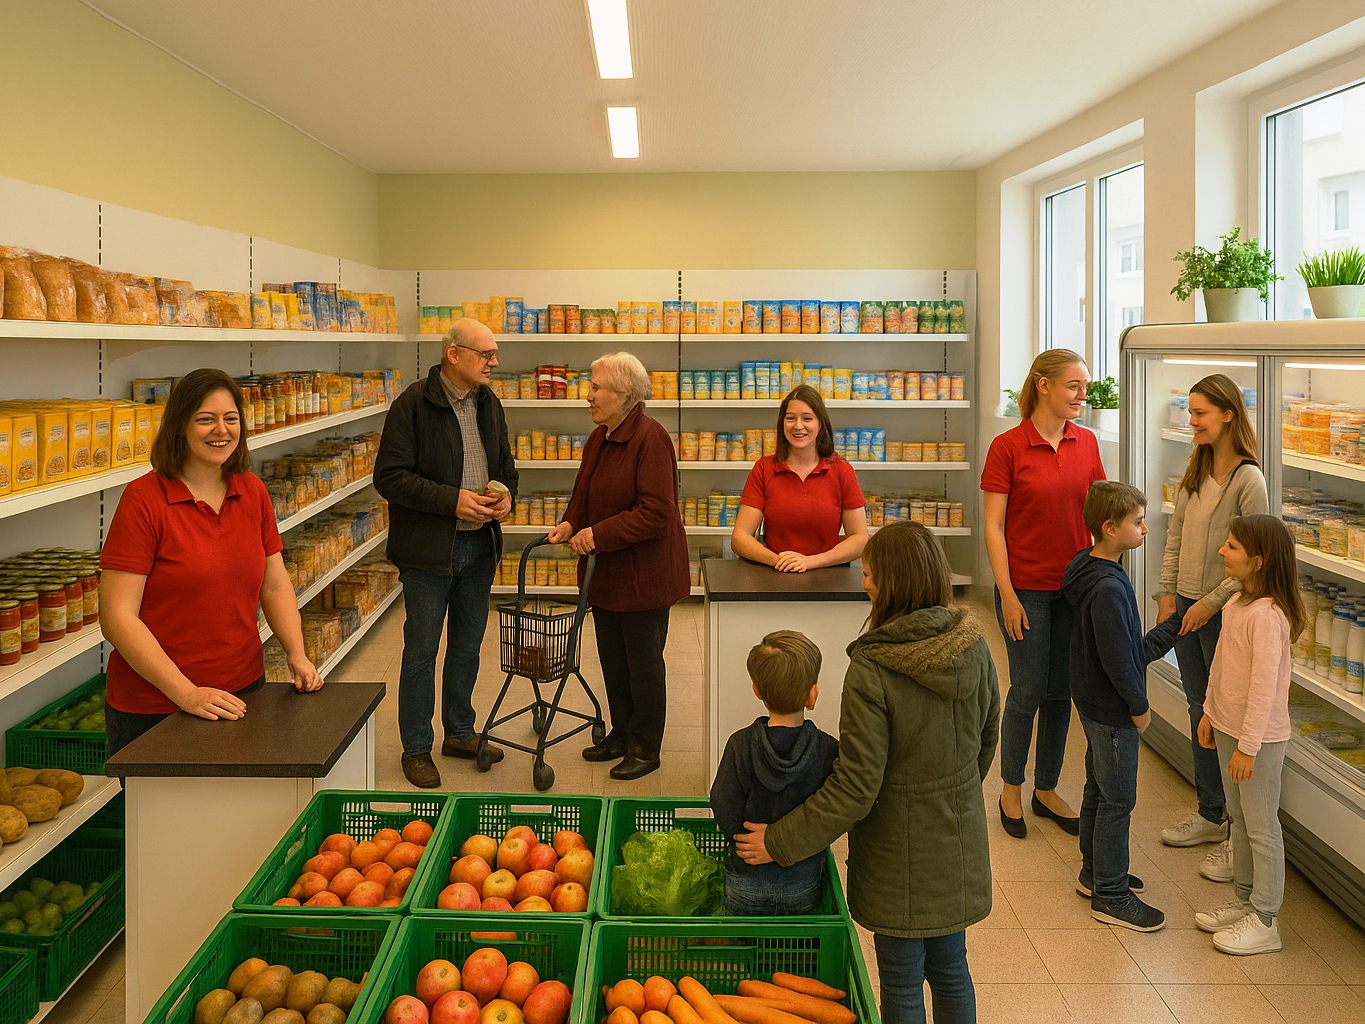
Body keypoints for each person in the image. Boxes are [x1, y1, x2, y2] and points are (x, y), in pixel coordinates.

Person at [734, 522, 999, 1024]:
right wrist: (953, 794)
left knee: (900, 979)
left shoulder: (874, 668)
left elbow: (856, 787)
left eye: (871, 574)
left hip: (895, 856)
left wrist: (779, 841)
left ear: (893, 584)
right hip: (958, 846)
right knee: (951, 970)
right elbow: (986, 742)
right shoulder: (975, 646)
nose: (864, 582)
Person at [99, 369, 323, 758]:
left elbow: (274, 584)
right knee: (164, 818)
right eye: (205, 419)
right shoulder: (143, 501)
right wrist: (185, 692)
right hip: (155, 705)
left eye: (230, 418)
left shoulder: (250, 490)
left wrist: (296, 653)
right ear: (179, 427)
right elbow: (117, 617)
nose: (221, 430)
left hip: (243, 690)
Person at [374, 318, 517, 789]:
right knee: (421, 652)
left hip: (480, 546)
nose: (494, 362)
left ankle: (458, 732)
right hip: (429, 552)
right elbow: (390, 478)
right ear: (453, 354)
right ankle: (415, 747)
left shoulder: (489, 403)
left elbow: (505, 467)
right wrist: (451, 499)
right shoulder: (413, 404)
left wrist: (506, 497)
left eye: (494, 354)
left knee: (468, 647)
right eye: (485, 354)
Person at [545, 352, 689, 781]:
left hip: (644, 575)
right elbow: (583, 494)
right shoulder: (599, 437)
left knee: (643, 663)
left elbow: (656, 512)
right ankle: (622, 733)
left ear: (624, 394)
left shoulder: (651, 439)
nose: (586, 395)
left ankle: (646, 746)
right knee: (612, 659)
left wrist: (598, 535)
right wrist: (572, 521)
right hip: (607, 574)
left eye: (595, 387)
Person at [981, 348, 1104, 839]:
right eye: (1074, 385)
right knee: (1028, 690)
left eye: (1085, 387)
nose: (1082, 395)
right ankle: (1011, 787)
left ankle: (1046, 788)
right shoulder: (1008, 446)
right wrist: (1007, 594)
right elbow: (993, 526)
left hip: (1074, 590)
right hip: (1025, 590)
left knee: (1062, 693)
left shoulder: (1088, 442)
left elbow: (1099, 516)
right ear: (1044, 385)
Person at [1157, 375, 1267, 889]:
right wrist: (1167, 594)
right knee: (1199, 709)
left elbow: (1251, 563)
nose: (1192, 420)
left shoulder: (1249, 479)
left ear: (1228, 414)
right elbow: (1175, 536)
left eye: (1200, 413)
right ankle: (1210, 812)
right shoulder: (1196, 467)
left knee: (1224, 719)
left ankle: (1236, 837)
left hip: (1222, 613)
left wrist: (1207, 604)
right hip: (1185, 604)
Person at [1062, 482, 1180, 931]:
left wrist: (1171, 629)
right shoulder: (1110, 588)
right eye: (1137, 522)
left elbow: (1124, 648)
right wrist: (1138, 704)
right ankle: (1111, 894)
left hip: (1092, 702)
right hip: (1112, 710)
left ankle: (1096, 873)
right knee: (1118, 799)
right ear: (1110, 528)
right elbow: (1119, 659)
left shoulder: (1087, 566)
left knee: (1098, 787)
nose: (1145, 528)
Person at [1193, 514, 1304, 956]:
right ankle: (1244, 899)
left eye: (1232, 547)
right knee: (1238, 819)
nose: (1222, 551)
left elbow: (1263, 689)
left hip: (1255, 741)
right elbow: (1222, 664)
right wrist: (1208, 711)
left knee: (1261, 828)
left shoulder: (1268, 616)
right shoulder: (1237, 603)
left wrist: (1248, 746)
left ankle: (1266, 918)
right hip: (1227, 729)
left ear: (1258, 561)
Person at [709, 630, 839, 916]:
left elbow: (722, 803)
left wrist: (737, 835)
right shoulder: (829, 749)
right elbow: (833, 810)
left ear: (757, 690)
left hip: (746, 879)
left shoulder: (740, 744)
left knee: (746, 941)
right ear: (812, 694)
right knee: (790, 941)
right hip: (802, 880)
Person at [731, 384, 867, 572]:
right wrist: (780, 561)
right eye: (790, 418)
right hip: (775, 574)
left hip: (829, 577)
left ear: (820, 424)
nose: (798, 426)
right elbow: (740, 538)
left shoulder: (841, 470)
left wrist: (812, 561)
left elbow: (859, 539)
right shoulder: (764, 468)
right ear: (782, 424)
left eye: (807, 418)